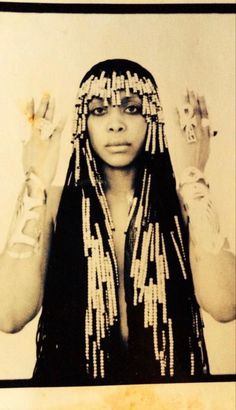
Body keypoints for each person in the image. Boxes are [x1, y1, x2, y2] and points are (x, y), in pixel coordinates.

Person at [0, 59, 234, 386]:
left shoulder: (183, 203)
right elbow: (8, 313)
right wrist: (36, 178)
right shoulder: (53, 204)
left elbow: (226, 304)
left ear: (153, 118)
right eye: (98, 111)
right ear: (84, 124)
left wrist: (194, 177)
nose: (116, 124)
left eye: (132, 108)